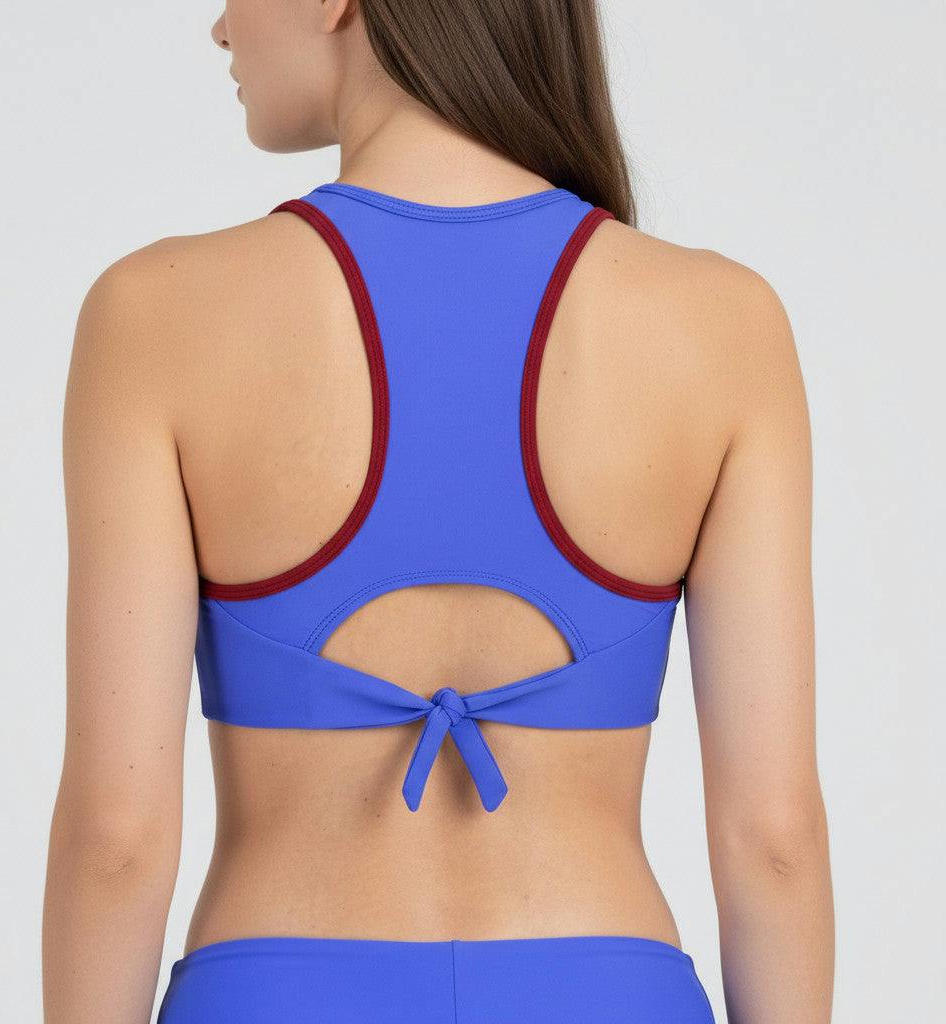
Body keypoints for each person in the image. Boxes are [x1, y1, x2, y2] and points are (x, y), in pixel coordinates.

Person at [41, 2, 835, 1022]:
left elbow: (116, 837)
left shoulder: (156, 313)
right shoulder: (723, 324)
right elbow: (773, 836)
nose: (221, 26)